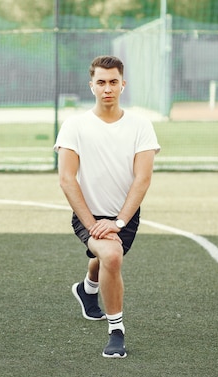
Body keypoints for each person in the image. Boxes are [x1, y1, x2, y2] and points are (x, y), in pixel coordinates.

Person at [54, 55, 160, 358]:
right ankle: (116, 331)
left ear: (123, 85)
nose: (107, 88)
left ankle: (87, 290)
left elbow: (143, 178)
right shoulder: (75, 125)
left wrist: (119, 222)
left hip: (124, 216)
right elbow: (66, 179)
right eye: (101, 82)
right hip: (87, 214)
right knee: (111, 256)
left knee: (105, 254)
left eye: (113, 82)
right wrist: (92, 225)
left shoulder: (140, 125)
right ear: (91, 86)